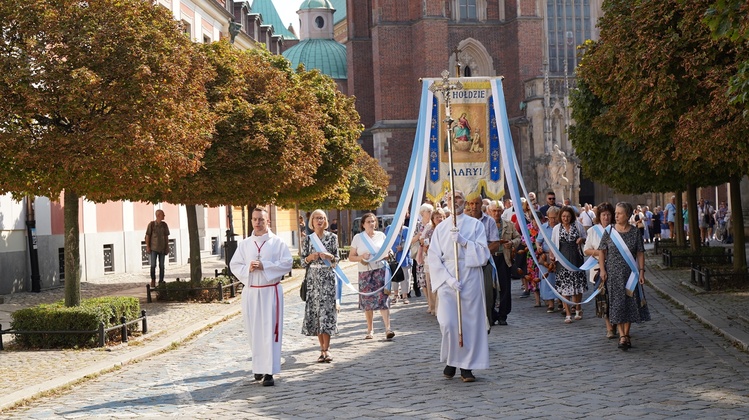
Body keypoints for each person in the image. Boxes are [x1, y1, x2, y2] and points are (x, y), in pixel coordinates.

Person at [428, 190, 490, 382]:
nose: (455, 202)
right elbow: (433, 256)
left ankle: (466, 366)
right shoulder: (440, 228)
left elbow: (483, 254)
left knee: (469, 324)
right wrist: (448, 280)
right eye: (451, 199)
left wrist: (464, 242)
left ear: (465, 202)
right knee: (448, 323)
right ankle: (452, 359)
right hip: (448, 278)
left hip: (469, 276)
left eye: (458, 198)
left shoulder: (475, 225)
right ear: (446, 202)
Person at [230, 208, 293, 386]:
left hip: (270, 292)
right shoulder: (245, 244)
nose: (257, 223)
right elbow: (234, 264)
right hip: (251, 291)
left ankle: (270, 372)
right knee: (254, 331)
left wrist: (265, 266)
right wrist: (247, 269)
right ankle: (258, 367)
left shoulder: (278, 243)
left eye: (261, 220)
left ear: (268, 222)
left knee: (269, 332)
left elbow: (287, 263)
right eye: (255, 219)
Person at [598, 202, 650, 351]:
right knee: (618, 304)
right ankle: (622, 335)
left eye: (619, 213)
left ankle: (626, 334)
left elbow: (640, 253)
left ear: (627, 215)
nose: (616, 216)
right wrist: (602, 270)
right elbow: (602, 251)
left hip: (631, 274)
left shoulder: (635, 232)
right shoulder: (609, 231)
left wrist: (641, 271)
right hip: (613, 275)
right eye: (616, 213)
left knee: (630, 304)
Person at [300, 209, 339, 364]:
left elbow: (337, 259)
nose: (319, 221)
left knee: (327, 313)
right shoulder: (308, 240)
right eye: (317, 218)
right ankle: (321, 348)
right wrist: (310, 257)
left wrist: (329, 256)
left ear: (326, 221)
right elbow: (302, 262)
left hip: (328, 279)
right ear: (312, 221)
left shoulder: (332, 238)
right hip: (313, 281)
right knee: (317, 314)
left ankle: (327, 349)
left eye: (322, 218)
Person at [348, 213, 395, 340]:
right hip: (365, 273)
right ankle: (370, 330)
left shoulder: (381, 236)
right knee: (368, 302)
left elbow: (389, 251)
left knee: (383, 300)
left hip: (380, 271)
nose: (371, 224)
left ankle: (388, 328)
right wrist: (361, 257)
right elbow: (351, 257)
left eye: (373, 221)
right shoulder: (358, 238)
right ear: (363, 224)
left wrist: (388, 254)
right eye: (368, 221)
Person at [583, 202, 616, 339]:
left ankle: (616, 323)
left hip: (615, 268)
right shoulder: (593, 231)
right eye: (603, 215)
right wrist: (600, 252)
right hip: (598, 269)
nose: (606, 217)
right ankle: (609, 326)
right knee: (603, 298)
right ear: (599, 216)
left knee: (615, 298)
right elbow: (586, 250)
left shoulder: (616, 230)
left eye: (608, 214)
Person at [467, 196, 500, 327]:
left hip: (484, 263)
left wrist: (480, 254)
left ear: (481, 204)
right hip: (468, 264)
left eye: (477, 203)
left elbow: (495, 243)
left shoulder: (489, 221)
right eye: (471, 203)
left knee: (487, 293)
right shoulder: (464, 221)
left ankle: (487, 321)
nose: (474, 206)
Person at [551, 205, 587, 324]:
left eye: (568, 216)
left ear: (571, 217)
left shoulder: (577, 226)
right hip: (562, 259)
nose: (565, 218)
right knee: (565, 288)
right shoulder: (557, 228)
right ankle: (567, 314)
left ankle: (578, 309)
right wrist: (552, 257)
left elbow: (586, 237)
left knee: (577, 286)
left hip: (576, 258)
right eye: (563, 216)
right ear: (560, 217)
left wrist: (581, 240)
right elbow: (553, 244)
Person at [488, 200, 521, 325]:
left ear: (502, 211)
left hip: (504, 258)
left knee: (505, 287)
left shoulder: (509, 224)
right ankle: (490, 314)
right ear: (490, 211)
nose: (496, 213)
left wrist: (511, 243)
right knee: (489, 288)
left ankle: (503, 315)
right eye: (494, 211)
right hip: (490, 258)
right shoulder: (484, 224)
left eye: (499, 211)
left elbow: (518, 237)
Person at [421, 208, 446, 315]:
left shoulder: (446, 228)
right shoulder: (430, 229)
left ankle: (441, 307)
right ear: (433, 219)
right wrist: (425, 246)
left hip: (444, 259)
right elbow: (423, 241)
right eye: (437, 217)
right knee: (431, 283)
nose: (439, 219)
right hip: (431, 259)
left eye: (441, 217)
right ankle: (433, 306)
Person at [536, 206, 560, 312]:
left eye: (555, 217)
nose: (552, 220)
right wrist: (538, 247)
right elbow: (538, 240)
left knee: (559, 279)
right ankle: (550, 303)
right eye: (550, 217)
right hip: (546, 257)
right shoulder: (544, 227)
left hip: (559, 257)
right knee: (547, 279)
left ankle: (560, 301)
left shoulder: (560, 227)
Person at [385, 224, 412, 304]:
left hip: (404, 257)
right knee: (394, 277)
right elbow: (386, 241)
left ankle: (405, 296)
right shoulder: (390, 228)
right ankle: (396, 295)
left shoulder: (406, 230)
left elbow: (410, 242)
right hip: (393, 256)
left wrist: (403, 248)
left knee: (405, 277)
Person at [145, 209, 170, 288]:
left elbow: (166, 236)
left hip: (162, 248)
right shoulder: (151, 225)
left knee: (162, 266)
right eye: (163, 214)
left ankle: (161, 280)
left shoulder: (164, 225)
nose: (164, 216)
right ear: (158, 215)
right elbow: (148, 236)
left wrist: (167, 247)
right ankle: (153, 279)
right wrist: (148, 247)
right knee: (153, 265)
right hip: (153, 248)